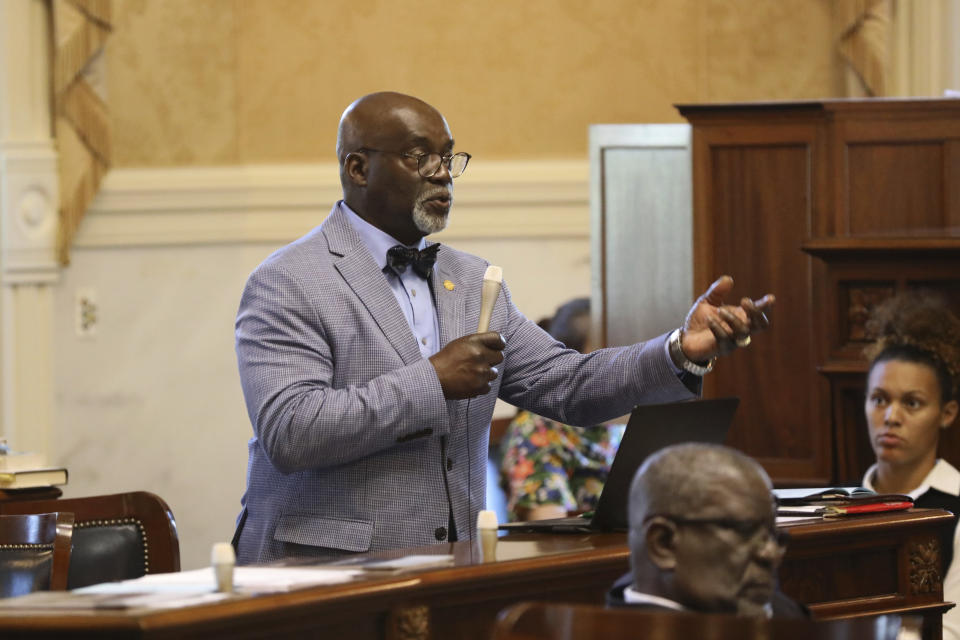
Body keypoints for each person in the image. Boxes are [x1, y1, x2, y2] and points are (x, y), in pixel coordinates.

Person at [232, 91, 775, 565]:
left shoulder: (469, 280)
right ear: (358, 168)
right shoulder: (288, 281)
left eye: (448, 157)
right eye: (420, 157)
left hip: (455, 570)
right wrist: (433, 380)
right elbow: (292, 431)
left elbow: (571, 385)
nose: (442, 173)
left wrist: (680, 349)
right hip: (324, 576)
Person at [860, 292, 960, 639]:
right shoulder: (837, 503)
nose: (891, 417)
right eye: (880, 399)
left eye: (912, 403)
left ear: (946, 413)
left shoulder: (956, 508)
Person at [607, 443, 805, 618]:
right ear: (663, 544)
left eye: (772, 535)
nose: (770, 554)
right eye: (744, 530)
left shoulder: (788, 615)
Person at [499, 297, 625, 521]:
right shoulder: (536, 431)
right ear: (574, 361)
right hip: (569, 550)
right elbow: (551, 527)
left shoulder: (616, 422)